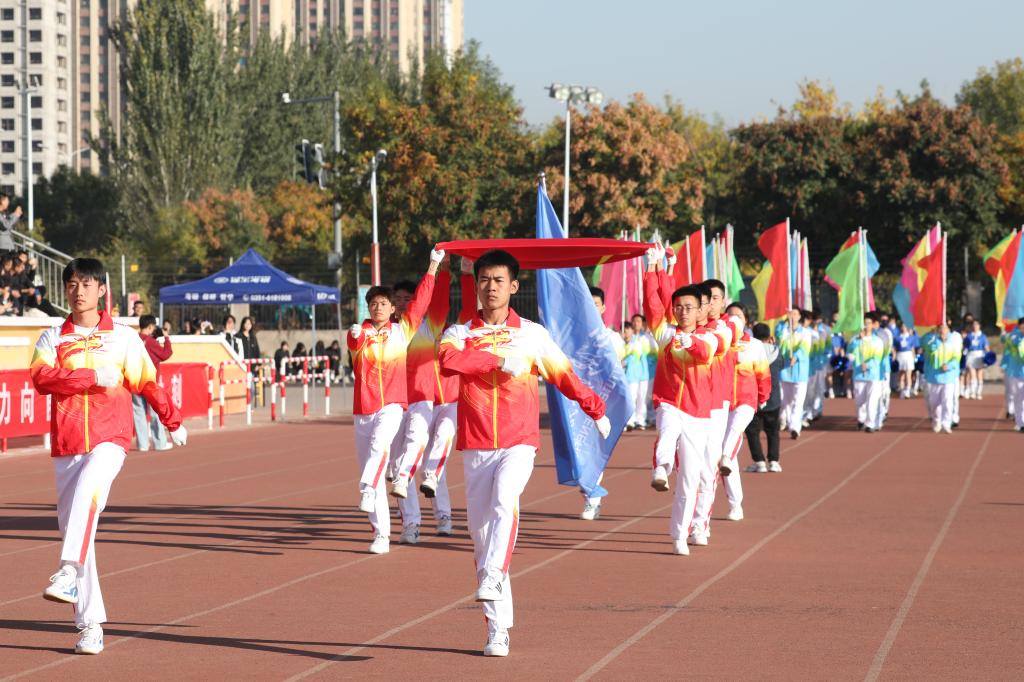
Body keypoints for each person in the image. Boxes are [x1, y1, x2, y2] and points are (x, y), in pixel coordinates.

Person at [438, 249, 609, 658]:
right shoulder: (460, 332)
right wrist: (499, 359)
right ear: (476, 285)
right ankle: (497, 630)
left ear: (513, 286)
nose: (491, 287)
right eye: (484, 280)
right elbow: (447, 361)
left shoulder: (532, 335)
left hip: (519, 441)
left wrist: (596, 409)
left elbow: (563, 374)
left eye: (499, 280)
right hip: (477, 444)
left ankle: (495, 574)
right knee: (482, 538)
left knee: (504, 502)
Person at [30, 258, 187, 655]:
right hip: (67, 444)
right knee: (79, 529)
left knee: (87, 496)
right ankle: (90, 626)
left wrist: (171, 420)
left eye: (86, 284)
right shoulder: (52, 338)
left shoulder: (122, 337)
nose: (78, 291)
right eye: (71, 284)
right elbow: (41, 378)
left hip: (110, 438)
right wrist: (91, 377)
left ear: (102, 290)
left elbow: (147, 382)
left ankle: (67, 570)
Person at [348, 249, 443, 555]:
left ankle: (366, 488)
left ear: (393, 309)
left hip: (392, 405)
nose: (378, 308)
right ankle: (381, 535)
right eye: (373, 304)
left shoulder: (402, 332)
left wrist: (433, 265)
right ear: (368, 307)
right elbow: (354, 349)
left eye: (384, 304)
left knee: (380, 447)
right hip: (363, 408)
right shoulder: (359, 334)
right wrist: (354, 336)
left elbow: (422, 300)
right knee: (376, 469)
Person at [642, 246, 717, 556]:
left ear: (700, 311)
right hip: (669, 401)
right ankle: (661, 468)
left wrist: (692, 343)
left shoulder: (710, 336)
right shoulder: (665, 335)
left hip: (698, 414)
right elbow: (653, 305)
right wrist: (652, 269)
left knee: (689, 479)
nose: (684, 311)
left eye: (690, 307)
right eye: (679, 307)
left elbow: (705, 352)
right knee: (667, 428)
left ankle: (679, 535)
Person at [387, 260, 457, 544]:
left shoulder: (430, 327)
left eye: (408, 299)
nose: (403, 304)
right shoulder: (387, 334)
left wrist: (442, 271)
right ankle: (411, 524)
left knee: (429, 462)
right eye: (397, 300)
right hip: (394, 405)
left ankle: (443, 516)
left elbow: (439, 301)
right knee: (397, 466)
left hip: (426, 401)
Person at [690, 278, 743, 544]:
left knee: (707, 467)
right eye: (705, 299)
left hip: (716, 405)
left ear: (723, 301)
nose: (709, 304)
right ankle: (691, 518)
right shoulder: (687, 329)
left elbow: (725, 337)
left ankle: (700, 524)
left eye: (714, 299)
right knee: (687, 468)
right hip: (689, 403)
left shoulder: (729, 325)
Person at [714, 302, 770, 520]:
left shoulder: (755, 345)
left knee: (734, 434)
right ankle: (735, 504)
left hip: (747, 399)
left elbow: (763, 374)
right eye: (730, 316)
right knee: (726, 453)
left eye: (738, 315)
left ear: (746, 320)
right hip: (723, 402)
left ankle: (726, 456)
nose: (734, 319)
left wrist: (763, 397)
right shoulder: (719, 343)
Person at [577, 286, 627, 520]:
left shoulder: (613, 338)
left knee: (595, 450)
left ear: (603, 307)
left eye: (595, 304)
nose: (592, 308)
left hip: (603, 402)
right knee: (578, 450)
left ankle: (592, 501)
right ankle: (588, 490)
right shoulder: (575, 335)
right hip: (578, 400)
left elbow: (616, 369)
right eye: (588, 303)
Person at [745, 323, 784, 472]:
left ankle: (759, 461)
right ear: (769, 337)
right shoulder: (776, 352)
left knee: (752, 431)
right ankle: (773, 461)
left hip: (754, 396)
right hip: (773, 397)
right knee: (772, 430)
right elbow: (782, 365)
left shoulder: (749, 350)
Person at [133, 314, 174, 451]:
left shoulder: (133, 340)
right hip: (150, 383)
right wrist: (166, 338)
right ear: (150, 327)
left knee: (139, 414)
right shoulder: (150, 342)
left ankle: (142, 444)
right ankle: (160, 443)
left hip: (135, 381)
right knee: (156, 413)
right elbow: (165, 354)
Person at [776, 309, 812, 438]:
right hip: (785, 371)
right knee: (786, 401)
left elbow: (805, 348)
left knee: (798, 402)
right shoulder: (783, 330)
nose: (793, 316)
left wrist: (796, 356)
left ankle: (795, 427)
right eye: (791, 314)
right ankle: (789, 421)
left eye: (795, 314)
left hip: (800, 372)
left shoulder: (805, 332)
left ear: (800, 316)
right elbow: (778, 341)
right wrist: (784, 324)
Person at [921, 322, 963, 433]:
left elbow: (956, 359)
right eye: (941, 328)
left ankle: (946, 424)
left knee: (948, 402)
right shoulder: (932, 341)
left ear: (948, 329)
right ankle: (937, 421)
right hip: (934, 377)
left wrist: (949, 366)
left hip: (948, 377)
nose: (943, 330)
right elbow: (927, 350)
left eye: (945, 328)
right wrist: (935, 342)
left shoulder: (953, 342)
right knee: (934, 404)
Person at [848, 314, 885, 433]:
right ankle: (861, 418)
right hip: (859, 374)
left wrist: (868, 365)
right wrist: (858, 341)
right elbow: (850, 352)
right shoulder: (855, 340)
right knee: (860, 400)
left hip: (873, 375)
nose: (866, 325)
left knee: (872, 400)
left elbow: (877, 358)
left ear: (873, 325)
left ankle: (870, 424)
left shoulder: (878, 341)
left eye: (868, 323)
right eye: (864, 323)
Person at [1002, 320, 1024, 431]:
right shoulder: (1014, 337)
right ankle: (1020, 423)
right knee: (1018, 398)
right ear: (1019, 327)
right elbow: (1006, 342)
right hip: (1015, 372)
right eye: (1022, 327)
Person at [963, 320, 989, 400]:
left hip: (980, 355)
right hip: (971, 355)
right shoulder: (969, 336)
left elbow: (986, 347)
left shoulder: (983, 336)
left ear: (979, 326)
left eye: (976, 325)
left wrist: (988, 356)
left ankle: (979, 392)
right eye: (974, 325)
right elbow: (965, 346)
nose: (975, 326)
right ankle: (972, 392)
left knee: (979, 374)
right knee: (972, 373)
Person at [894, 322, 920, 399]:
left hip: (908, 355)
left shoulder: (911, 337)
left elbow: (913, 348)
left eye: (905, 327)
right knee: (901, 375)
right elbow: (894, 348)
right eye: (902, 327)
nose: (903, 328)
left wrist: (914, 357)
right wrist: (894, 357)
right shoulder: (897, 338)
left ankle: (908, 391)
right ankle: (902, 391)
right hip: (900, 355)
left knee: (908, 374)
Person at [0, 192, 22, 256]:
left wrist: (16, 214)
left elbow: (7, 221)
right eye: (7, 200)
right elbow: (5, 226)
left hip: (7, 245)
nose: (8, 202)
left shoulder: (3, 213)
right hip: (3, 246)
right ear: (1, 201)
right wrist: (16, 215)